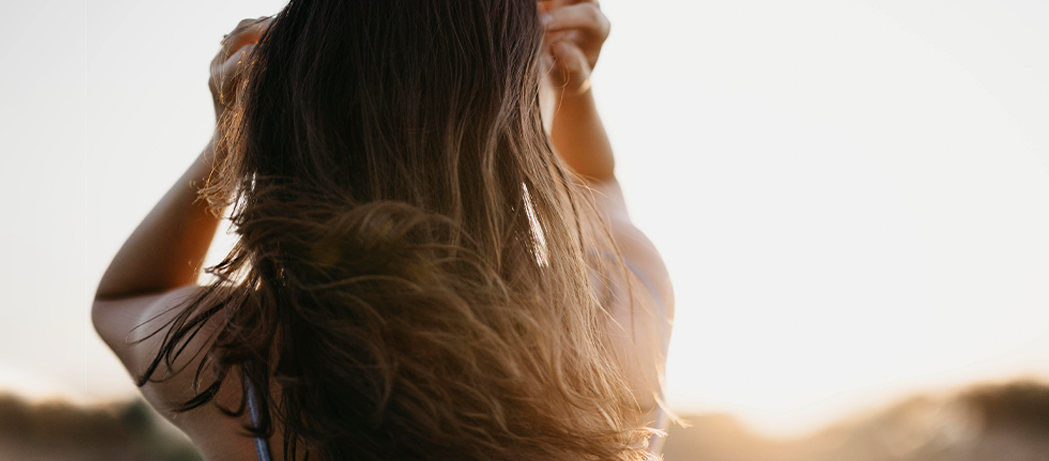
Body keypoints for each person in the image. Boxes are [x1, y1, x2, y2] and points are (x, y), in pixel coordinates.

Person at [91, 1, 674, 460]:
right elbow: (598, 184)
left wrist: (229, 139)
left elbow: (125, 299)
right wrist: (571, 84)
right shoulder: (619, 318)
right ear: (514, 117)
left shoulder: (243, 362)